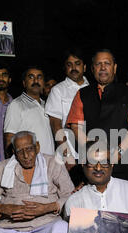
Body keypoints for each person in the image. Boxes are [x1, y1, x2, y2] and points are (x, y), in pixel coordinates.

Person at [66, 49, 128, 184]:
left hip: (127, 165)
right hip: (94, 166)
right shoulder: (82, 94)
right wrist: (92, 153)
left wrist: (118, 153)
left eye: (107, 63)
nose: (103, 67)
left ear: (114, 68)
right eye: (98, 64)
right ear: (92, 69)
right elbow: (76, 126)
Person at [45, 48, 90, 185]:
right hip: (69, 158)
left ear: (85, 67)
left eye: (77, 63)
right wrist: (67, 155)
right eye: (69, 65)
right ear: (65, 68)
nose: (73, 68)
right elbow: (55, 124)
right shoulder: (58, 90)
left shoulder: (94, 89)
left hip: (90, 155)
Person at [4, 66, 55, 157]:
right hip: (29, 163)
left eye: (39, 77)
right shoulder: (16, 105)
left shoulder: (47, 105)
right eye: (31, 77)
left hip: (49, 162)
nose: (36, 81)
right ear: (24, 83)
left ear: (43, 83)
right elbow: (9, 139)